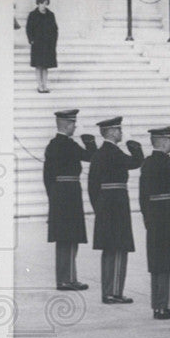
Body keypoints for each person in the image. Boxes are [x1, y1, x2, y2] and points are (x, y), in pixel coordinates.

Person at [87, 117, 144, 304]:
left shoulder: (98, 154)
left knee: (109, 250)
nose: (121, 133)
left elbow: (92, 186)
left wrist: (99, 208)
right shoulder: (114, 152)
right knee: (119, 248)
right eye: (119, 130)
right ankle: (115, 292)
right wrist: (134, 146)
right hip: (118, 203)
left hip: (104, 204)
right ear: (111, 132)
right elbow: (136, 162)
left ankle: (108, 291)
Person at [138, 126, 170, 320]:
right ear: (162, 142)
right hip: (168, 213)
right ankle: (168, 306)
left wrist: (146, 216)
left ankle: (158, 305)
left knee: (158, 262)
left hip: (154, 213)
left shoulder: (148, 163)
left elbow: (142, 195)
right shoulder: (167, 162)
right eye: (169, 140)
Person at [43, 108, 96, 291]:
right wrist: (89, 141)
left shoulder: (52, 145)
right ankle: (67, 279)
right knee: (69, 238)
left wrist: (53, 199)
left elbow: (47, 177)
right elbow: (91, 157)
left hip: (59, 194)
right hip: (70, 194)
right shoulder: (69, 144)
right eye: (73, 123)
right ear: (67, 125)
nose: (75, 127)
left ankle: (66, 278)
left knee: (65, 239)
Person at [26, 0, 57, 93]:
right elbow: (28, 28)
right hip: (37, 44)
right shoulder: (32, 15)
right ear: (38, 3)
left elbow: (55, 30)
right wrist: (31, 40)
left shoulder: (51, 15)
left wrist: (53, 42)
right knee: (38, 65)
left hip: (48, 44)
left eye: (46, 3)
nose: (44, 5)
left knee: (45, 66)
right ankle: (39, 86)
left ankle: (45, 86)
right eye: (42, 3)